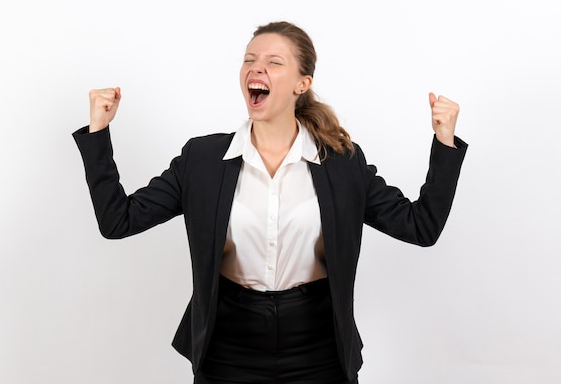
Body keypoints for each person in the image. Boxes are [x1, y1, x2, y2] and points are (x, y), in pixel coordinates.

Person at [73, 21, 467, 384]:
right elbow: (118, 221)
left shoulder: (342, 164)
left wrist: (444, 141)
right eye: (249, 60)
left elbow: (420, 226)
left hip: (318, 349)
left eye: (273, 62)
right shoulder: (203, 161)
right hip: (228, 348)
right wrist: (98, 132)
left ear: (302, 83)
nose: (255, 68)